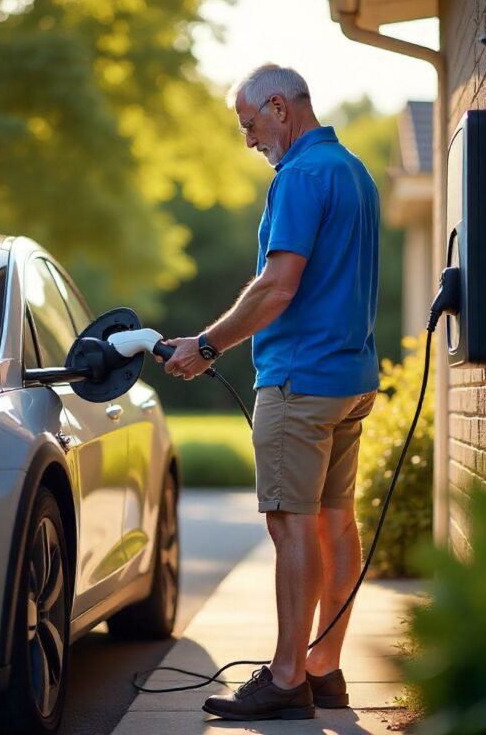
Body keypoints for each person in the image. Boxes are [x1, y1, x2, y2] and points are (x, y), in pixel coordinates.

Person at [161, 63, 380, 721]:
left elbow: (275, 286)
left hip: (299, 380)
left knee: (290, 526)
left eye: (250, 126)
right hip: (349, 378)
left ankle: (287, 678)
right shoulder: (353, 171)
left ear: (280, 109)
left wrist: (206, 346)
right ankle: (324, 666)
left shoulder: (302, 176)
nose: (250, 141)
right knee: (334, 522)